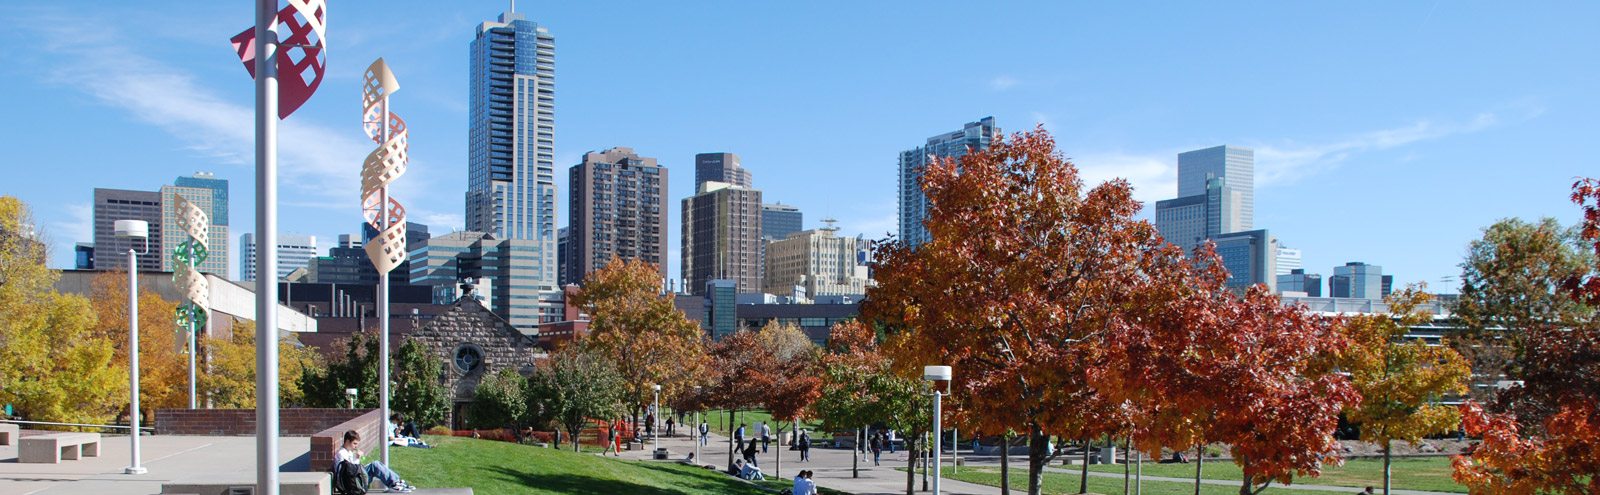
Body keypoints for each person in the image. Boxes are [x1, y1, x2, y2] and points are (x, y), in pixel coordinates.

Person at [335, 430, 415, 493]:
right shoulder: (341, 454)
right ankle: (394, 484)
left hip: (354, 480)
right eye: (354, 444)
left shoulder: (348, 452)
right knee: (374, 465)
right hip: (350, 484)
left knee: (376, 464)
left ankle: (396, 482)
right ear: (347, 441)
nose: (356, 446)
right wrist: (357, 459)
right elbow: (349, 472)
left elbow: (353, 469)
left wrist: (357, 459)